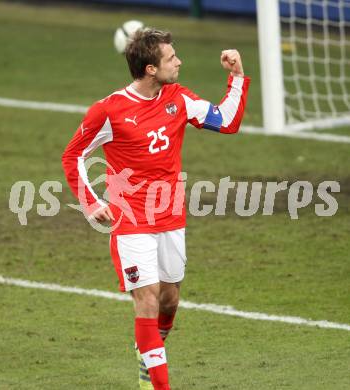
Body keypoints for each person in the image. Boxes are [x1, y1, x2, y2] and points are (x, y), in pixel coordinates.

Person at [62, 28, 250, 390]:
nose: (179, 61)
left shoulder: (178, 99)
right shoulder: (109, 110)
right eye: (170, 58)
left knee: (168, 299)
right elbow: (73, 154)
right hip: (131, 222)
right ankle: (154, 382)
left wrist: (237, 77)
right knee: (146, 300)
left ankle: (147, 351)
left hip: (171, 217)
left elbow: (227, 121)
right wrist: (90, 202)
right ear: (150, 69)